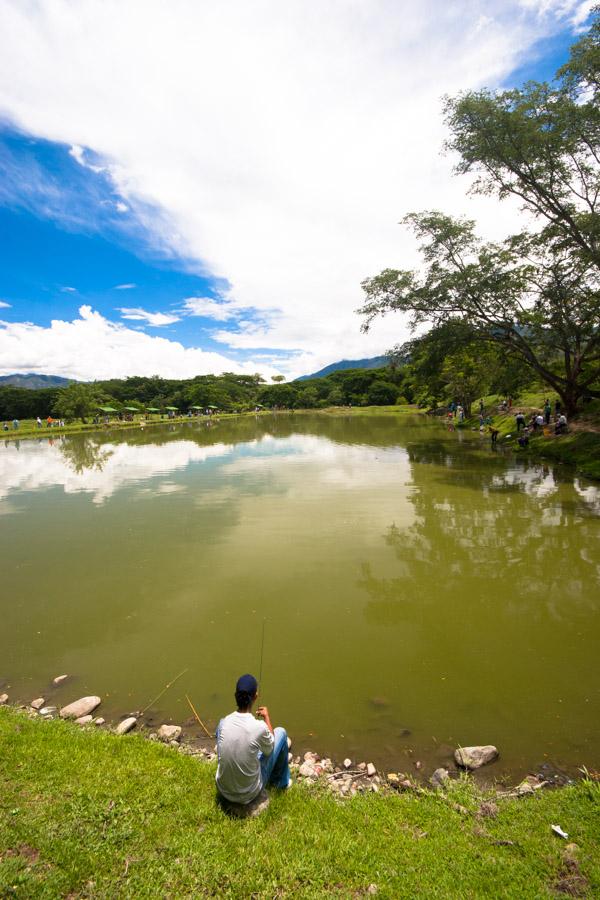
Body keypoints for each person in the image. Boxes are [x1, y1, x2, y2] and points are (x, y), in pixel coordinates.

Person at [215, 674, 290, 808]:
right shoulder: (259, 727)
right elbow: (270, 748)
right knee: (281, 733)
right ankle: (281, 783)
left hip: (224, 790)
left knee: (221, 729)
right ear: (255, 697)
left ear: (235, 696)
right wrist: (266, 717)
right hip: (249, 794)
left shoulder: (224, 722)